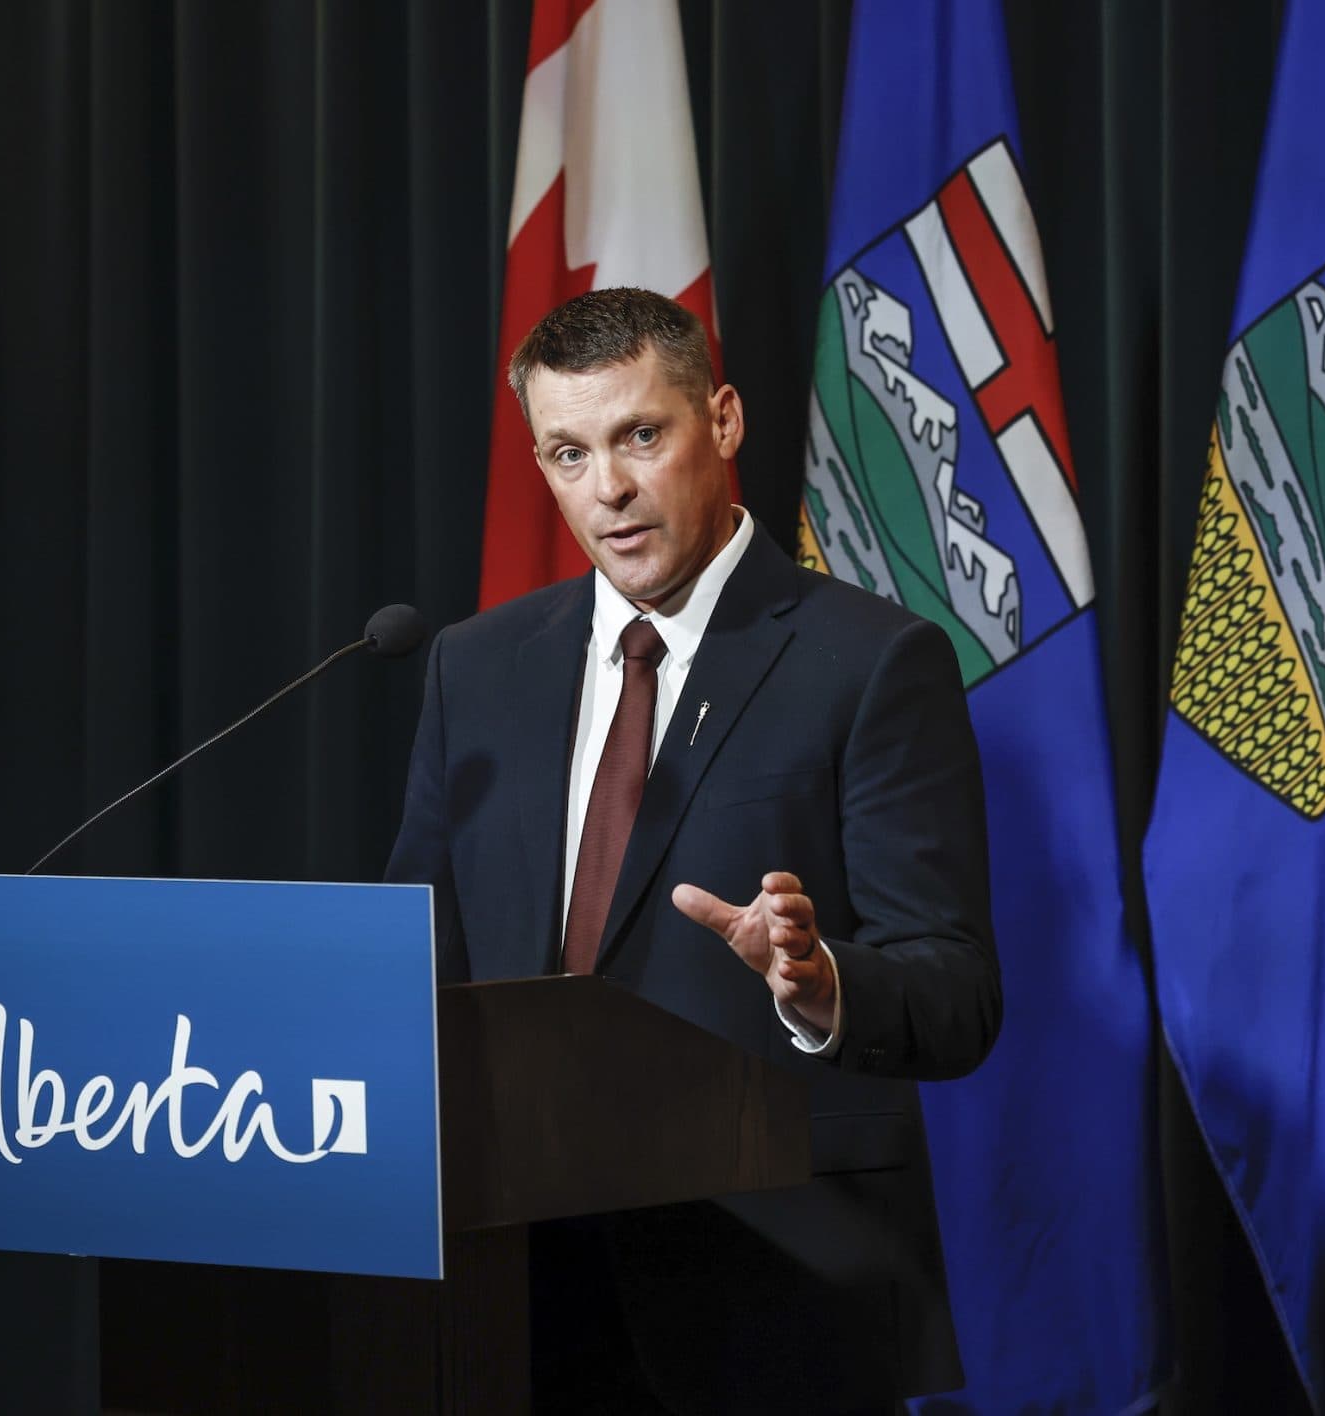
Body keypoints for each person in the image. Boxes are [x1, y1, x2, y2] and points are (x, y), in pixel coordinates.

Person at [385, 287, 1002, 1415]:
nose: (606, 489)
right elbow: (412, 962)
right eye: (567, 453)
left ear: (720, 421)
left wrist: (817, 984)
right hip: (509, 1295)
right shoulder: (474, 670)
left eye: (639, 436)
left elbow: (955, 993)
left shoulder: (869, 663)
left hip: (769, 1302)